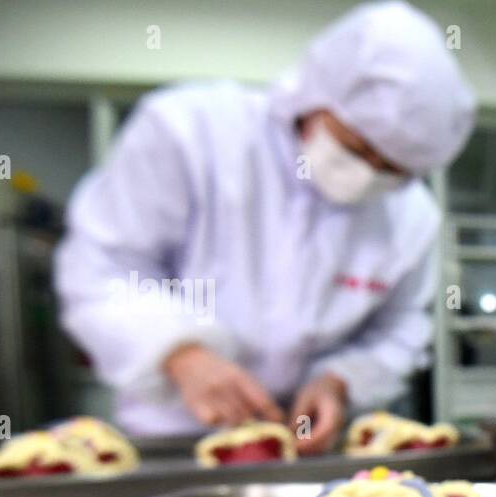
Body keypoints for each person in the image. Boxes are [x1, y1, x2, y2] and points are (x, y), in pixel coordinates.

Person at [55, 2, 474, 453]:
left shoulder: (411, 215)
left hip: (314, 447)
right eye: (356, 147)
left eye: (393, 168)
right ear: (316, 95)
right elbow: (100, 268)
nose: (369, 173)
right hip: (176, 438)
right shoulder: (191, 133)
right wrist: (180, 354)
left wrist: (340, 380)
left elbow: (401, 327)